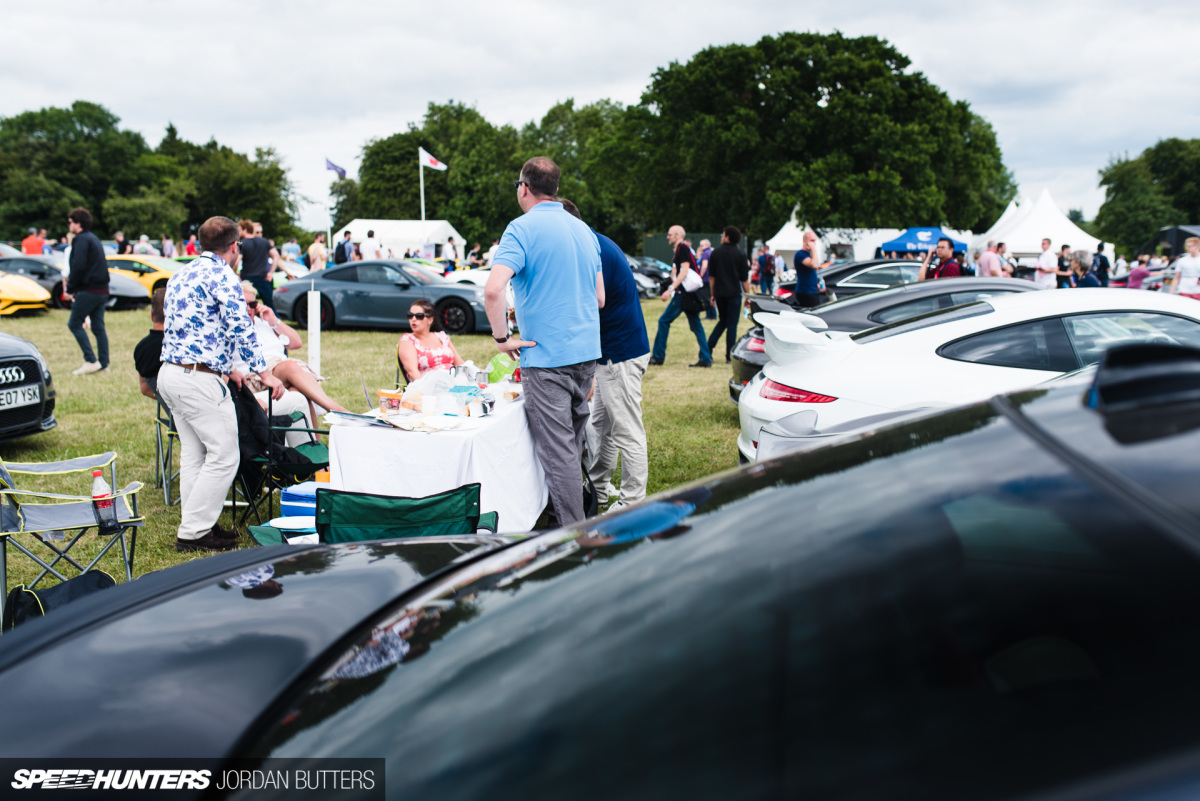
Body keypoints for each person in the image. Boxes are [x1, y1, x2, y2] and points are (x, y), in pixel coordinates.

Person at [483, 156, 604, 526]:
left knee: (559, 453)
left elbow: (492, 290)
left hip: (547, 357)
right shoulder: (583, 230)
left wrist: (502, 338)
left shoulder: (520, 228)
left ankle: (574, 536)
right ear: (556, 189)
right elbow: (600, 298)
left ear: (523, 187)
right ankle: (559, 516)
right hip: (586, 352)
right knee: (572, 444)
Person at [158, 216, 284, 552]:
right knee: (225, 454)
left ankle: (197, 523)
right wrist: (264, 372)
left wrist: (232, 366)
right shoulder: (223, 276)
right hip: (199, 378)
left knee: (195, 453)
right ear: (233, 247)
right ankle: (194, 532)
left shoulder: (180, 273)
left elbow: (204, 327)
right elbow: (240, 326)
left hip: (171, 372)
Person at [559, 198, 650, 511]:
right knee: (602, 426)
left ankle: (633, 501)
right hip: (613, 352)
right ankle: (597, 487)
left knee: (627, 430)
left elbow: (586, 305)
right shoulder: (594, 242)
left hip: (619, 354)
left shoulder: (591, 249)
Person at [235, 282, 348, 412]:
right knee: (290, 366)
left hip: (280, 373)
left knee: (299, 392)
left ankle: (311, 433)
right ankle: (338, 410)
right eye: (243, 304)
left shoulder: (264, 323)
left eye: (252, 304)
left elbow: (296, 343)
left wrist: (273, 320)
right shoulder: (233, 329)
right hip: (255, 378)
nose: (249, 309)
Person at [648, 224, 712, 368]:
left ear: (677, 235)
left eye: (669, 234)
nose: (667, 237)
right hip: (688, 295)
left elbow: (684, 271)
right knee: (697, 326)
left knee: (663, 321)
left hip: (683, 295)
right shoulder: (681, 249)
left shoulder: (682, 248)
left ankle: (658, 357)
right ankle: (706, 359)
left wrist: (670, 289)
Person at [63, 207, 110, 375]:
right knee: (98, 327)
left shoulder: (81, 239)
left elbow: (78, 266)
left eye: (70, 221)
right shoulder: (94, 239)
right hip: (102, 290)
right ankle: (104, 364)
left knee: (74, 323)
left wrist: (70, 289)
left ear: (78, 223)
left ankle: (90, 360)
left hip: (90, 290)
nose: (68, 224)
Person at [706, 226, 751, 362]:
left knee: (722, 322)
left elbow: (712, 277)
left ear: (727, 237)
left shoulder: (716, 253)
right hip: (734, 294)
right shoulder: (740, 255)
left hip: (720, 293)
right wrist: (747, 296)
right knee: (732, 325)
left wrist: (712, 294)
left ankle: (708, 349)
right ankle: (729, 356)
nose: (721, 237)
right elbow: (744, 279)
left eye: (722, 235)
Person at [397, 299, 465, 380]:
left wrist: (480, 372)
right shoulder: (408, 341)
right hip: (428, 386)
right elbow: (413, 372)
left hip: (453, 381)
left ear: (430, 320)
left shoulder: (441, 337)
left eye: (419, 316)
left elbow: (460, 364)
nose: (413, 319)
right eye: (410, 315)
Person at [236, 219, 280, 309]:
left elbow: (236, 260)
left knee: (246, 306)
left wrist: (234, 273)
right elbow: (276, 256)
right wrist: (270, 272)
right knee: (269, 305)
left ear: (245, 230)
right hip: (263, 278)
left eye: (239, 230)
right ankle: (274, 322)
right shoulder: (264, 241)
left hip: (247, 279)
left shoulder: (241, 242)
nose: (238, 232)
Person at [134, 288, 167, 398]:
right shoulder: (178, 346)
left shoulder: (142, 348)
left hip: (171, 411)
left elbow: (145, 390)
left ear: (151, 315)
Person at [792, 230, 831, 306]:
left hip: (812, 291)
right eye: (812, 240)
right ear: (805, 241)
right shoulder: (800, 254)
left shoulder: (808, 255)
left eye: (815, 241)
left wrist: (817, 285)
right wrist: (813, 249)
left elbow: (811, 272)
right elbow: (814, 265)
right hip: (805, 293)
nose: (814, 243)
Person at [697, 239, 717, 319]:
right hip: (710, 277)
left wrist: (700, 276)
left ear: (707, 245)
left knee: (706, 297)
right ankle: (712, 315)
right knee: (710, 296)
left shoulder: (705, 253)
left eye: (702, 245)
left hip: (706, 278)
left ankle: (710, 316)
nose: (701, 247)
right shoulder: (711, 252)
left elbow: (704, 265)